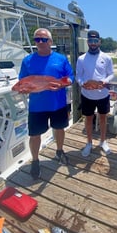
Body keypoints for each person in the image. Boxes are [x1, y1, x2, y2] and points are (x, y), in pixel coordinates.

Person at [18, 28, 74, 179]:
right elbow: (22, 81)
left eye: (43, 39)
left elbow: (70, 77)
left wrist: (62, 84)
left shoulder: (61, 59)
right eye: (37, 39)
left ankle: (60, 150)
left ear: (50, 42)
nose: (40, 42)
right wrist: (23, 89)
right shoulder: (27, 60)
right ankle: (35, 161)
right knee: (35, 135)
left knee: (60, 129)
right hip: (37, 107)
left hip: (58, 104)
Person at [76, 30, 114, 157]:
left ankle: (103, 141)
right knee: (88, 119)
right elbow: (78, 76)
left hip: (103, 94)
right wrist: (83, 83)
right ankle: (89, 143)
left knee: (103, 118)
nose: (93, 43)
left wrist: (105, 81)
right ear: (87, 42)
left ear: (99, 42)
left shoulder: (106, 58)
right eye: (91, 41)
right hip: (87, 95)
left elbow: (111, 74)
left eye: (95, 41)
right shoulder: (81, 59)